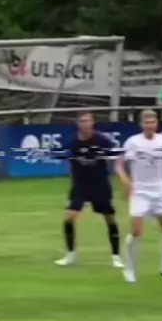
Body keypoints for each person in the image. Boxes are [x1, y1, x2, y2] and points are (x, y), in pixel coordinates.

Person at [115, 109, 162, 283]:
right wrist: (126, 182)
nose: (150, 125)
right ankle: (129, 269)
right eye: (146, 122)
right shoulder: (133, 142)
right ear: (141, 124)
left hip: (159, 189)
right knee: (137, 230)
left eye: (153, 122)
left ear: (157, 123)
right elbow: (119, 165)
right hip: (140, 190)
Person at [55, 111, 123, 268]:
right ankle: (70, 255)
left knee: (110, 218)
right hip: (80, 185)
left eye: (88, 121)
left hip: (100, 185)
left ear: (92, 122)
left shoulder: (102, 140)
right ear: (78, 123)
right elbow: (60, 154)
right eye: (82, 121)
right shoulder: (72, 142)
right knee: (69, 217)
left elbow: (115, 156)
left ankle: (116, 256)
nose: (85, 124)